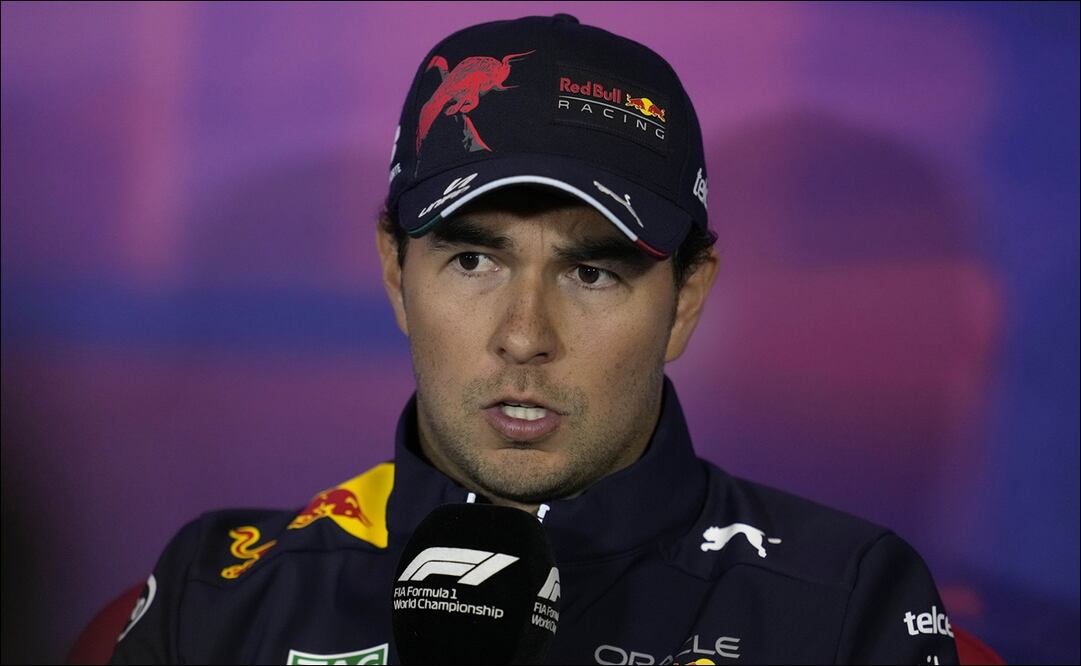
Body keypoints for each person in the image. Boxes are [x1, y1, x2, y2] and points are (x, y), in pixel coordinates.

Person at [110, 14, 959, 665]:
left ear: (687, 299)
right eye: (474, 258)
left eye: (592, 272)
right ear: (393, 271)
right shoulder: (223, 590)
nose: (523, 337)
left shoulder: (844, 601)